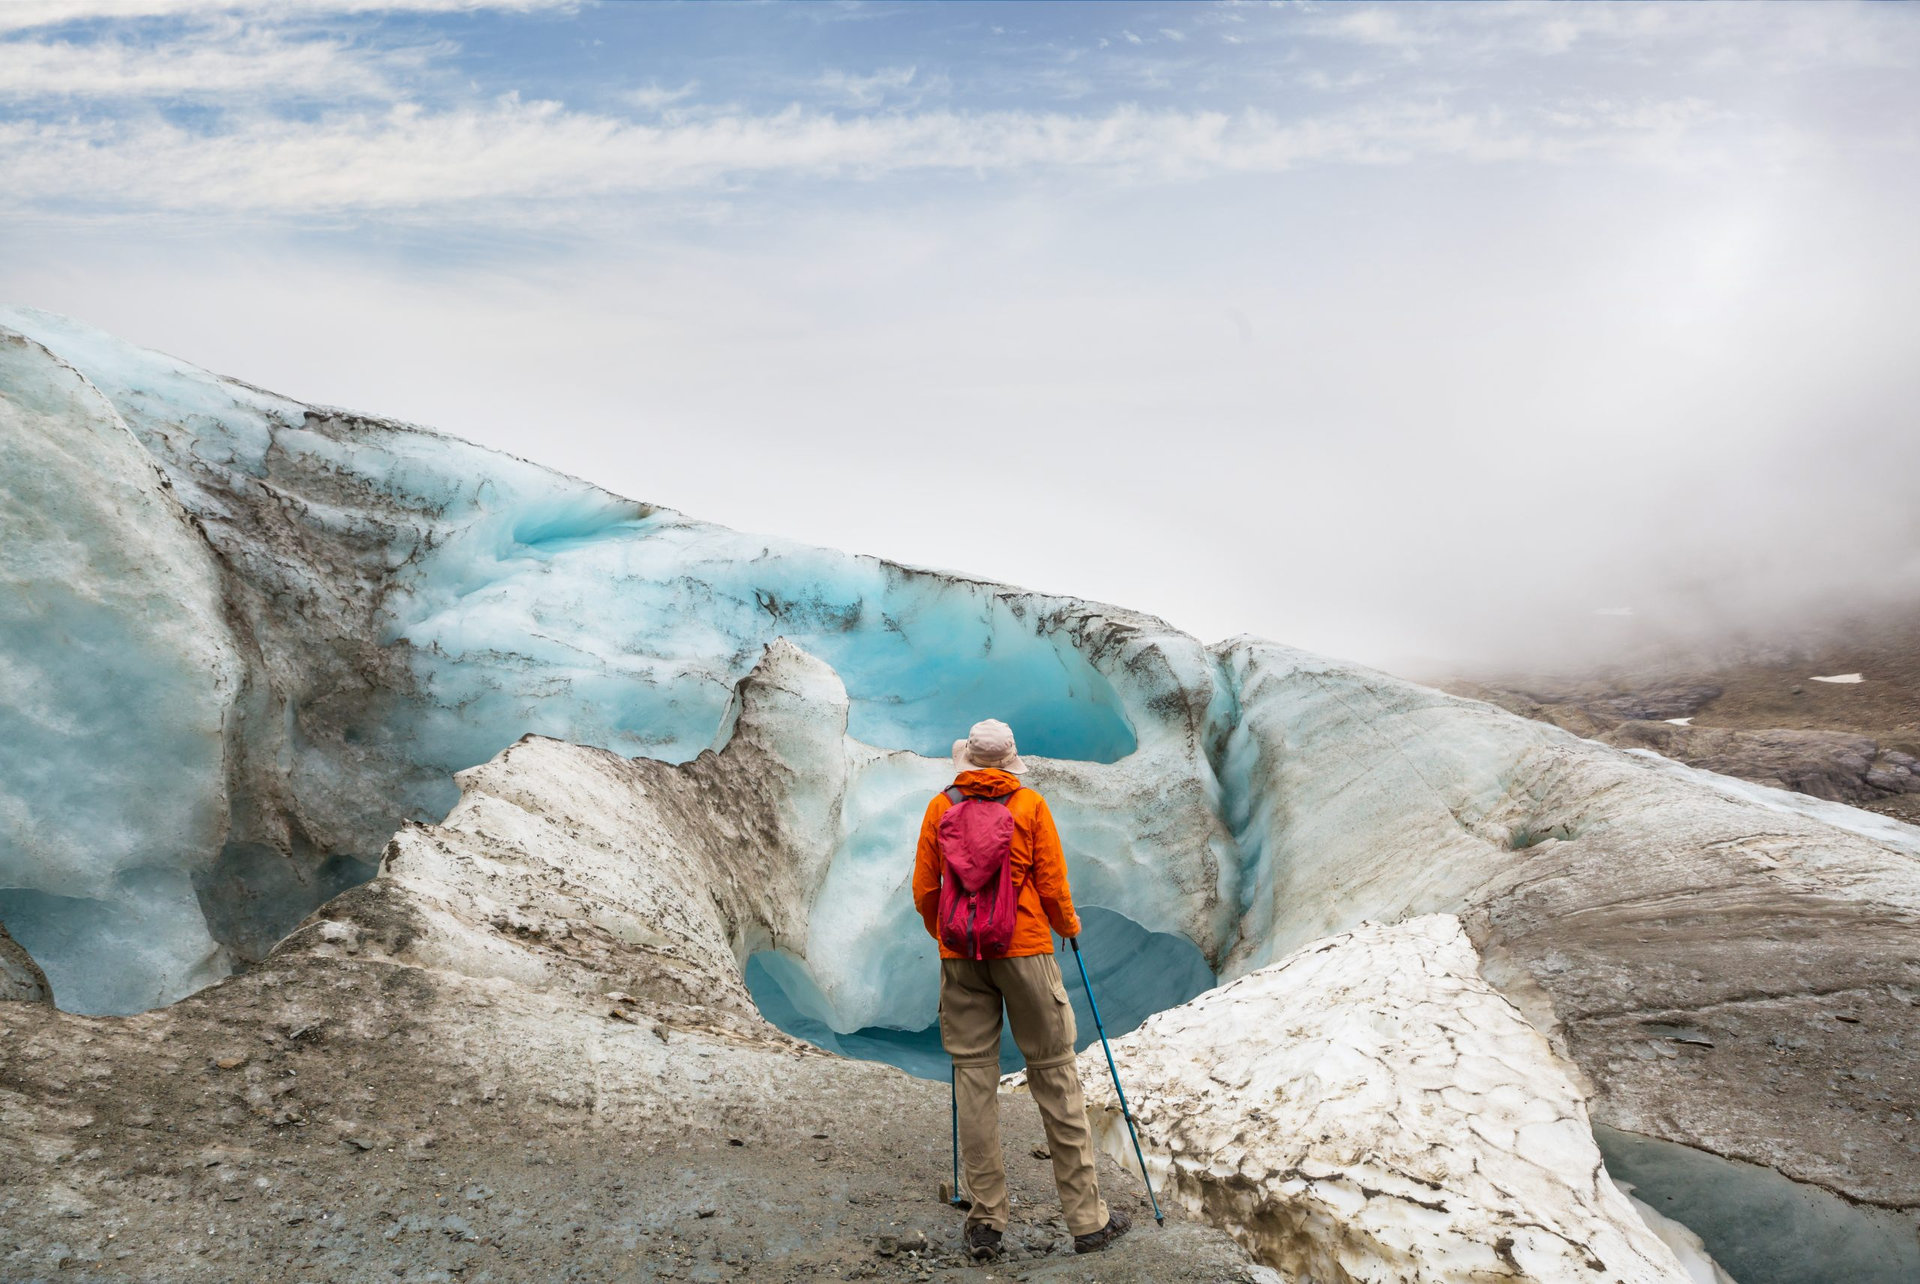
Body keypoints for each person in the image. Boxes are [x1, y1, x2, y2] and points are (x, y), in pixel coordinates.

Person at [912, 718, 1132, 1262]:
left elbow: (926, 887)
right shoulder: (1029, 805)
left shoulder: (941, 806)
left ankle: (986, 1222)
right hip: (1026, 949)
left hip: (962, 956)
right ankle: (1087, 1222)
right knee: (1055, 1074)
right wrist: (1068, 929)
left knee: (974, 1078)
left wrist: (950, 937)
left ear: (968, 761)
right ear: (1009, 761)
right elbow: (1053, 881)